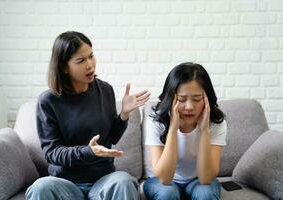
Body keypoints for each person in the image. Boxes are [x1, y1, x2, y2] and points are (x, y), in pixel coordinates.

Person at [25, 31, 150, 200]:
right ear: (64, 67)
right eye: (81, 60)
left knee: (124, 181)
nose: (90, 65)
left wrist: (124, 114)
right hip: (65, 184)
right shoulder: (48, 101)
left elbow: (112, 137)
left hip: (102, 180)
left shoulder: (105, 90)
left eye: (91, 56)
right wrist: (87, 151)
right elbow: (52, 152)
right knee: (40, 187)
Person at [143, 62, 227, 200]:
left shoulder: (216, 122)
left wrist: (205, 131)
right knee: (167, 194)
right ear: (170, 99)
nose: (189, 107)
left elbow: (205, 179)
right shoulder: (156, 121)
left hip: (197, 181)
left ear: (207, 99)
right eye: (181, 99)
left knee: (205, 194)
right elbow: (164, 178)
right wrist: (172, 130)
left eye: (197, 99)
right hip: (160, 181)